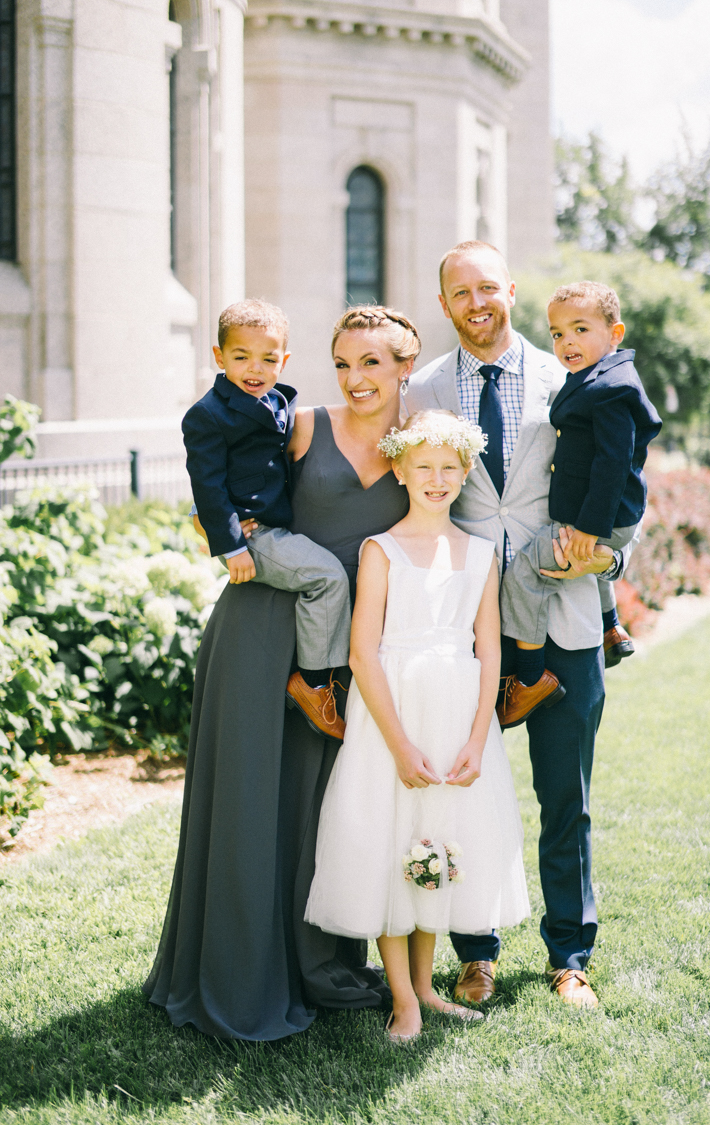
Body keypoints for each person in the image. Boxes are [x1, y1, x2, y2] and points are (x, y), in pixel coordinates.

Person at [144, 305, 418, 1040]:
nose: (355, 379)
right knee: (253, 801)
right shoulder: (298, 422)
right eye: (342, 363)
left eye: (371, 363)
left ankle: (322, 962)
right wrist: (226, 529)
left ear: (403, 369)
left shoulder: (417, 437)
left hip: (353, 647)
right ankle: (241, 971)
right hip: (264, 629)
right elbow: (223, 483)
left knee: (328, 805)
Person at [404, 241, 638, 1009]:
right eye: (458, 293)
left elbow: (620, 468)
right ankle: (477, 952)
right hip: (462, 628)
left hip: (562, 616)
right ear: (444, 306)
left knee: (565, 795)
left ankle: (570, 954)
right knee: (464, 793)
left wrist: (604, 560)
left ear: (509, 288)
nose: (475, 303)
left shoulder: (571, 369)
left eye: (487, 287)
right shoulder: (425, 389)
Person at [305, 410, 530, 1041]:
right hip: (392, 719)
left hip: (457, 715)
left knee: (440, 841)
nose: (436, 479)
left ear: (464, 474)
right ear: (400, 470)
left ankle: (429, 988)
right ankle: (402, 996)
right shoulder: (380, 552)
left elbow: (490, 651)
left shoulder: (481, 554)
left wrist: (478, 740)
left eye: (448, 468)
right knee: (389, 840)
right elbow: (362, 654)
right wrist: (398, 744)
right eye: (423, 467)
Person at [182, 298, 351, 739]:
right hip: (250, 535)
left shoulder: (278, 401)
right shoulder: (206, 416)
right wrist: (232, 544)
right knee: (328, 578)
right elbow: (207, 484)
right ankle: (314, 684)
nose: (254, 368)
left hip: (276, 523)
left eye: (268, 358)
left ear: (284, 360)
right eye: (241, 357)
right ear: (219, 357)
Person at [500, 280, 662, 707]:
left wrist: (590, 529)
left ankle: (530, 677)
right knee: (575, 563)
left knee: (522, 576)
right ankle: (611, 626)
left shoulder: (612, 389)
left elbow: (613, 464)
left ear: (615, 333)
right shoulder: (592, 375)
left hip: (602, 520)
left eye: (580, 329)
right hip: (596, 515)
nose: (567, 341)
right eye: (557, 333)